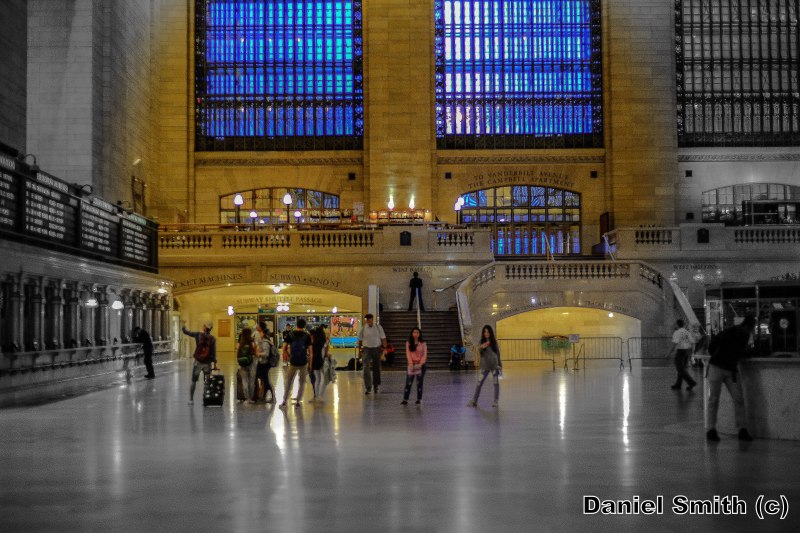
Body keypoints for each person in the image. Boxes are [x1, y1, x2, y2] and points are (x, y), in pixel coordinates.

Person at [706, 315, 756, 442]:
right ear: (750, 327)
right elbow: (740, 352)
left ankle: (711, 429)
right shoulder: (744, 334)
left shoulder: (730, 331)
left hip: (716, 366)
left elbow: (712, 345)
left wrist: (716, 356)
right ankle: (742, 429)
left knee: (713, 400)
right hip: (730, 370)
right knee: (738, 399)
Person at [181, 320, 217, 405]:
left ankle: (191, 400)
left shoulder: (198, 334)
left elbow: (186, 332)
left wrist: (183, 325)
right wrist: (215, 363)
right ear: (211, 329)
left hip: (198, 362)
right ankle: (206, 399)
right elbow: (213, 352)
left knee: (194, 381)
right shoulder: (213, 338)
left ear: (204, 327)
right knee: (207, 381)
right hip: (207, 363)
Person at [280, 317, 312, 409]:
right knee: (302, 382)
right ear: (304, 326)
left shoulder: (290, 334)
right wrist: (310, 364)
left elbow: (284, 348)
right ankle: (298, 401)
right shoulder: (307, 336)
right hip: (303, 361)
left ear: (296, 325)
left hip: (293, 361)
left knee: (288, 382)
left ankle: (284, 401)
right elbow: (311, 352)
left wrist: (287, 356)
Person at [467, 325, 501, 408]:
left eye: (488, 332)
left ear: (490, 333)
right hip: (485, 366)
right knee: (479, 383)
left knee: (496, 383)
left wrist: (499, 364)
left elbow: (498, 353)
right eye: (485, 332)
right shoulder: (481, 341)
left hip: (494, 365)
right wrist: (482, 347)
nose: (486, 333)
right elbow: (478, 350)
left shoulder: (494, 342)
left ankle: (495, 401)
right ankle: (474, 400)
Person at [357, 313, 387, 395]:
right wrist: (360, 351)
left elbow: (383, 338)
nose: (368, 321)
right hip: (366, 349)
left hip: (377, 348)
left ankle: (376, 385)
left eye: (369, 319)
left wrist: (385, 348)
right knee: (365, 367)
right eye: (367, 320)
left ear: (372, 319)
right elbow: (360, 340)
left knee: (376, 367)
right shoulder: (363, 328)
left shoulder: (378, 327)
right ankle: (368, 387)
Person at [668, 319, 697, 391]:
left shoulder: (677, 332)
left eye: (675, 324)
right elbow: (693, 342)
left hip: (680, 351)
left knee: (680, 368)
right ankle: (678, 384)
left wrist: (668, 353)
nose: (675, 325)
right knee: (682, 368)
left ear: (677, 324)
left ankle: (691, 382)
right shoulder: (687, 332)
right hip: (687, 351)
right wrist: (692, 352)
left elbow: (675, 344)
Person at [401, 327, 427, 405]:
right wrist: (411, 363)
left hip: (420, 366)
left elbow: (424, 354)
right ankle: (405, 399)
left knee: (419, 383)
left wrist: (420, 364)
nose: (415, 334)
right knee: (408, 383)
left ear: (419, 334)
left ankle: (419, 399)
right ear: (412, 333)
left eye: (417, 333)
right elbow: (408, 354)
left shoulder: (423, 343)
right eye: (414, 332)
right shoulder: (408, 343)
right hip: (411, 365)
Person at [254, 321, 276, 403]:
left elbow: (266, 353)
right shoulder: (262, 338)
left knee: (264, 379)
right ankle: (263, 395)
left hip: (264, 363)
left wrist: (258, 354)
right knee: (264, 379)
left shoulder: (265, 341)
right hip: (262, 362)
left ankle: (270, 395)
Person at [236, 327, 258, 404]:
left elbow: (237, 354)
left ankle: (246, 398)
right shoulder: (252, 342)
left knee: (244, 381)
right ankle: (251, 398)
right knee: (251, 381)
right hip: (252, 363)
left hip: (242, 364)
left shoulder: (240, 343)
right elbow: (256, 353)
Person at [310, 325, 328, 401]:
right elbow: (325, 353)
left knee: (317, 379)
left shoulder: (313, 343)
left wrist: (310, 364)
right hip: (323, 361)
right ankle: (321, 395)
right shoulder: (324, 342)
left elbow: (311, 353)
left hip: (315, 362)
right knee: (325, 379)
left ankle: (316, 396)